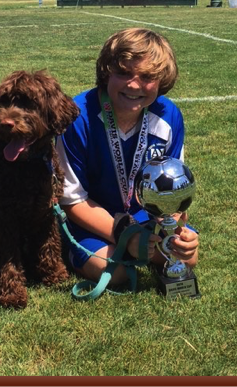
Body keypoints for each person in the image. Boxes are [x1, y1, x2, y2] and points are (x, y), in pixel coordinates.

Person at [56, 28, 199, 286]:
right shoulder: (77, 118)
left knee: (187, 259)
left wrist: (176, 228)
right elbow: (72, 201)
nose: (134, 84)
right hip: (91, 222)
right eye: (123, 73)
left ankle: (149, 247)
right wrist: (128, 237)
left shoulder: (169, 116)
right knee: (115, 272)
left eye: (147, 77)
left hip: (146, 216)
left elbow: (173, 190)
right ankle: (69, 249)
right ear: (106, 71)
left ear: (162, 79)